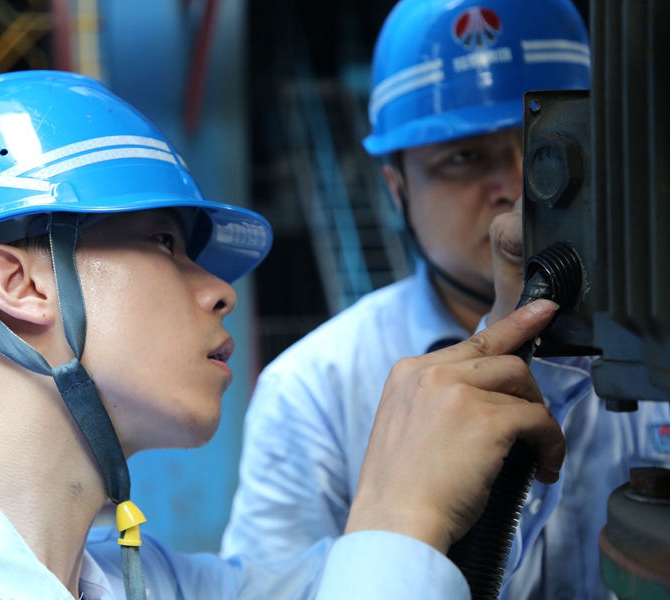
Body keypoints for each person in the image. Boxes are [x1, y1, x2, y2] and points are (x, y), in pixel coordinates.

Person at [0, 70, 567, 599]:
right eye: (163, 243)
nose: (220, 290)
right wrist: (396, 510)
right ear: (18, 284)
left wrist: (514, 324)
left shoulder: (149, 583)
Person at [221, 1, 670, 598]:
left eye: (549, 147)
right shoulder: (316, 388)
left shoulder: (656, 340)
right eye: (464, 158)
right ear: (396, 187)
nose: (519, 185)